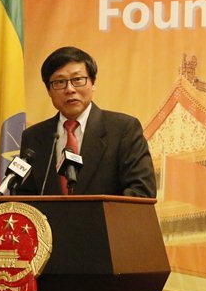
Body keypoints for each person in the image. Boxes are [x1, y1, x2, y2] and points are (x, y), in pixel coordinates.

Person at [16, 46, 156, 197]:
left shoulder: (123, 129)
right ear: (49, 90)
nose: (70, 89)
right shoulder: (33, 137)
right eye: (60, 82)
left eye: (77, 80)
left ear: (93, 83)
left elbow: (142, 191)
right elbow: (24, 196)